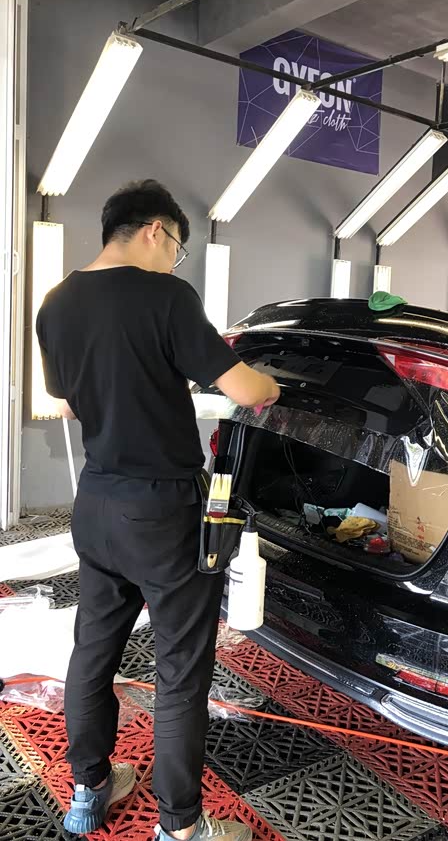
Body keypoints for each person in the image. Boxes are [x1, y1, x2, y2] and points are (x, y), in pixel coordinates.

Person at [36, 180, 279, 841]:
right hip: (163, 510)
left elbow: (67, 402)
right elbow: (245, 389)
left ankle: (89, 789)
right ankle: (181, 826)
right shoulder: (167, 297)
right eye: (178, 247)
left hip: (95, 502)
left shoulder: (56, 303)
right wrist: (272, 381)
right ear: (154, 230)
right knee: (179, 670)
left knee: (92, 651)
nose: (175, 260)